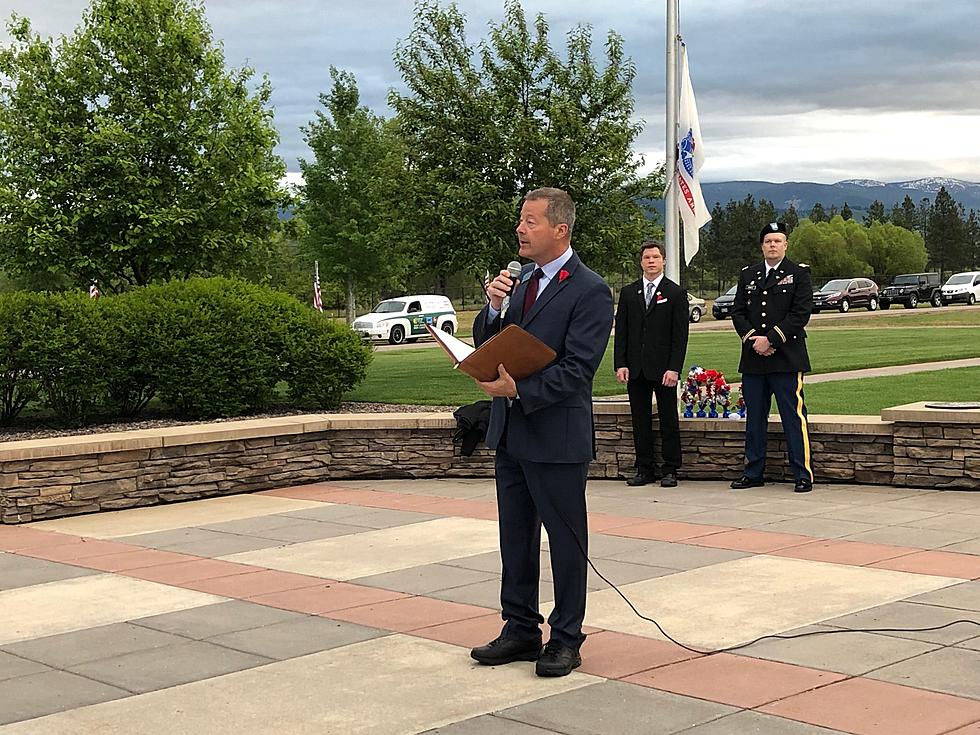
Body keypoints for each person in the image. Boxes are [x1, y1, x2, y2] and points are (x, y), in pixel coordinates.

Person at [469, 187, 613, 677]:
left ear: (560, 229)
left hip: (556, 436)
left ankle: (567, 637)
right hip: (512, 435)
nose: (520, 229)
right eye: (520, 220)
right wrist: (491, 309)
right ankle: (520, 629)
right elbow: (491, 342)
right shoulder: (519, 280)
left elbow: (578, 370)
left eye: (531, 221)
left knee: (566, 541)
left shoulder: (589, 289)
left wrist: (518, 391)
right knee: (516, 536)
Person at [730, 222, 815, 493]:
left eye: (777, 241)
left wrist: (772, 339)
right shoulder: (749, 275)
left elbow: (800, 314)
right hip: (755, 359)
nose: (772, 245)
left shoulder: (798, 274)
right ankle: (753, 472)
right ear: (762, 246)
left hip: (787, 357)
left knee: (793, 416)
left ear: (786, 244)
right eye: (768, 241)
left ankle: (802, 474)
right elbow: (738, 312)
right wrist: (755, 340)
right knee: (755, 417)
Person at [613, 240, 689, 488]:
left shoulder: (675, 293)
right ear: (641, 261)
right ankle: (645, 469)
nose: (651, 261)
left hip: (664, 369)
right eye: (647, 258)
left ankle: (670, 469)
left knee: (668, 420)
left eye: (656, 257)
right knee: (640, 421)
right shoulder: (628, 293)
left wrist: (674, 368)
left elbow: (680, 336)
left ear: (664, 260)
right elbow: (622, 332)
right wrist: (620, 363)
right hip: (636, 368)